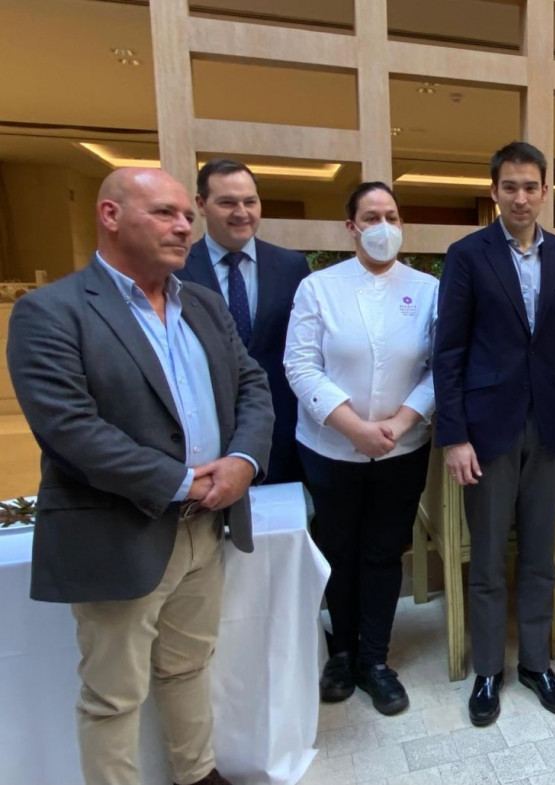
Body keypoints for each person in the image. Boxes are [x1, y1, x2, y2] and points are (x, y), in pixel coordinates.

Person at [7, 168, 273, 785]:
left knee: (187, 666)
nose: (184, 226)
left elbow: (252, 386)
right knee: (113, 695)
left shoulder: (201, 303)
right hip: (119, 530)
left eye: (185, 214)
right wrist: (184, 482)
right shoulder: (52, 312)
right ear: (109, 215)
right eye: (164, 213)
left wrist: (241, 462)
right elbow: (71, 430)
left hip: (206, 528)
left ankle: (196, 772)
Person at [433, 141, 555, 726]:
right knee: (485, 560)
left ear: (545, 191)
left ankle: (534, 663)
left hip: (551, 427)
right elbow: (446, 351)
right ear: (494, 191)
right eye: (510, 187)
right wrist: (454, 435)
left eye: (531, 186)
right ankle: (486, 671)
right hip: (487, 429)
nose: (521, 197)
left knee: (540, 556)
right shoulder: (467, 255)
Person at [284, 182, 437, 716]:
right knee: (340, 551)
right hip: (330, 447)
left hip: (403, 445)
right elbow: (300, 366)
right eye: (370, 217)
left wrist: (400, 420)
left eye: (391, 215)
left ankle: (375, 659)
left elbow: (441, 366)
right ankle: (341, 653)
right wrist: (352, 427)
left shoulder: (427, 288)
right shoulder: (318, 288)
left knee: (383, 552)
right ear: (350, 227)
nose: (383, 227)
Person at [179, 159, 311, 485]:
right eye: (227, 202)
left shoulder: (292, 266)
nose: (242, 212)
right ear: (201, 205)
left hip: (282, 433)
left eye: (250, 201)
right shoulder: (176, 270)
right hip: (202, 437)